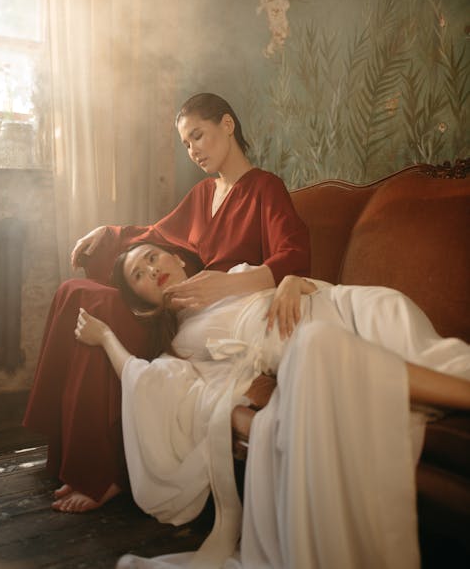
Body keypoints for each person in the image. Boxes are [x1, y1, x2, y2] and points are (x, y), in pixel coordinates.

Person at [75, 243, 470, 569]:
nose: (150, 269)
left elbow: (305, 283)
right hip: (320, 347)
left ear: (177, 258)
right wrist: (108, 337)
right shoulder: (184, 345)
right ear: (143, 300)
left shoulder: (238, 273)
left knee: (391, 322)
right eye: (138, 276)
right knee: (319, 349)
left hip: (350, 306)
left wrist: (291, 283)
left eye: (151, 256)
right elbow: (151, 384)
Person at [22, 93, 311, 513]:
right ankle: (69, 454)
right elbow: (155, 236)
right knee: (76, 291)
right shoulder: (201, 196)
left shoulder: (265, 188)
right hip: (186, 310)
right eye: (186, 144)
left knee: (97, 307)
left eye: (199, 136)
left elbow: (294, 255)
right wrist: (110, 230)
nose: (193, 150)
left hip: (223, 317)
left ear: (227, 125)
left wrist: (226, 287)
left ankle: (105, 474)